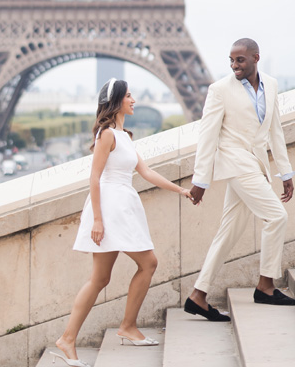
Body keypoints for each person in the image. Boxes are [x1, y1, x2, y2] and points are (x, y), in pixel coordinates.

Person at [54, 78, 194, 367]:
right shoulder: (107, 135)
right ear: (117, 101)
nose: (134, 100)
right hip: (110, 208)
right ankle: (97, 332)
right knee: (145, 264)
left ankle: (102, 331)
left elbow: (146, 172)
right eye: (129, 96)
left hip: (122, 207)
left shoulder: (124, 136)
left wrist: (181, 189)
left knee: (102, 278)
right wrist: (97, 220)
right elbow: (94, 178)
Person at [184, 38, 295, 321]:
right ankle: (266, 286)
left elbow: (276, 131)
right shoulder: (220, 89)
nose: (234, 65)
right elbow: (207, 135)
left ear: (255, 58)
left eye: (240, 60)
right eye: (231, 60)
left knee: (229, 232)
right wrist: (201, 179)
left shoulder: (270, 85)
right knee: (276, 217)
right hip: (236, 163)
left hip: (255, 162)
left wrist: (285, 172)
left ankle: (198, 295)